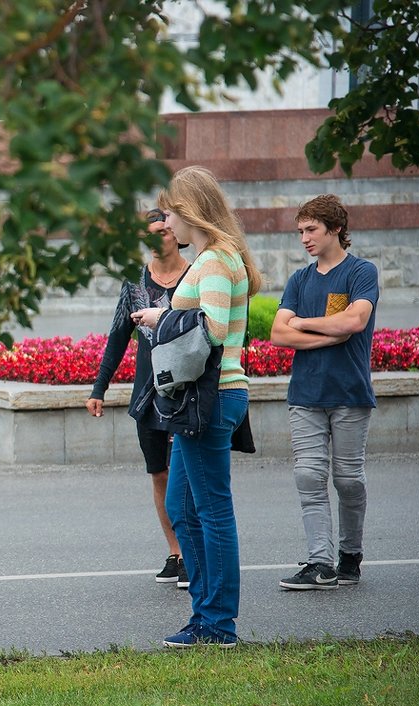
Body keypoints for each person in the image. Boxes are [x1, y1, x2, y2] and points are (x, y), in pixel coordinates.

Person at [131, 166, 259, 648]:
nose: (166, 223)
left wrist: (161, 315)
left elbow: (216, 329)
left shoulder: (215, 261)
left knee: (210, 509)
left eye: (170, 212)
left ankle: (217, 623)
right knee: (183, 507)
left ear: (189, 210)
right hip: (201, 398)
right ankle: (205, 615)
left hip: (212, 396)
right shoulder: (214, 258)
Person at [270, 195, 379, 590]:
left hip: (350, 393)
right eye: (300, 231)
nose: (304, 238)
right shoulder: (299, 279)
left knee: (348, 479)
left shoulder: (361, 272)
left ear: (335, 229)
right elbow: (279, 333)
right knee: (308, 475)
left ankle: (350, 556)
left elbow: (354, 319)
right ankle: (320, 563)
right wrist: (324, 335)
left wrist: (303, 324)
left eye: (311, 229)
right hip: (305, 395)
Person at [86, 208, 191, 589]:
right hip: (148, 395)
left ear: (177, 234)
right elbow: (117, 338)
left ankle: (193, 554)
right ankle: (175, 552)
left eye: (163, 231)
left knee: (186, 474)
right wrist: (99, 389)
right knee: (159, 474)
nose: (157, 238)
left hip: (186, 394)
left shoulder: (195, 277)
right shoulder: (134, 284)